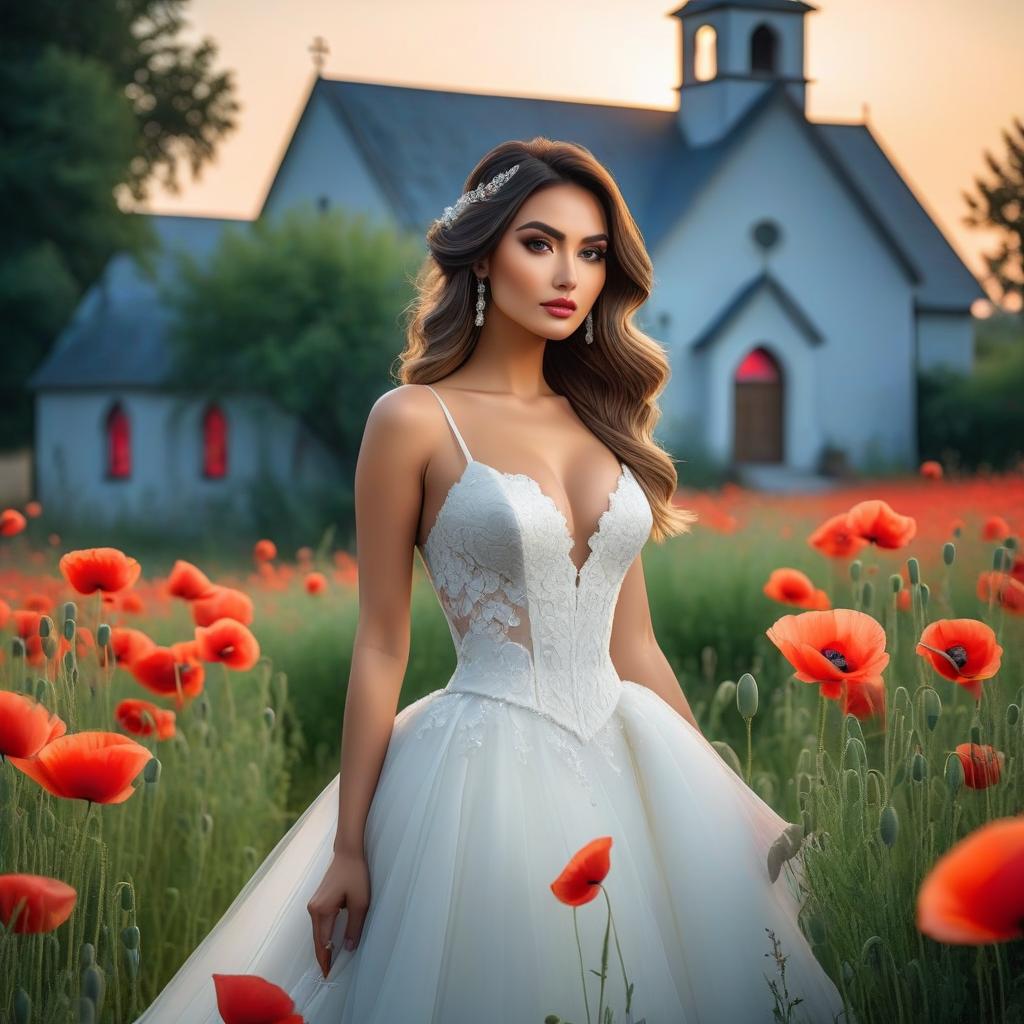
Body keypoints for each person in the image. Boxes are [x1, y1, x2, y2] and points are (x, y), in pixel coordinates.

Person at [133, 138, 852, 1023]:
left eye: (592, 253)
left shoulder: (604, 419)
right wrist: (349, 845)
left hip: (638, 758)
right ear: (480, 255)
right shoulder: (411, 420)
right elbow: (380, 641)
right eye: (539, 243)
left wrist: (719, 799)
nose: (570, 275)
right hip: (482, 772)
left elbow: (635, 646)